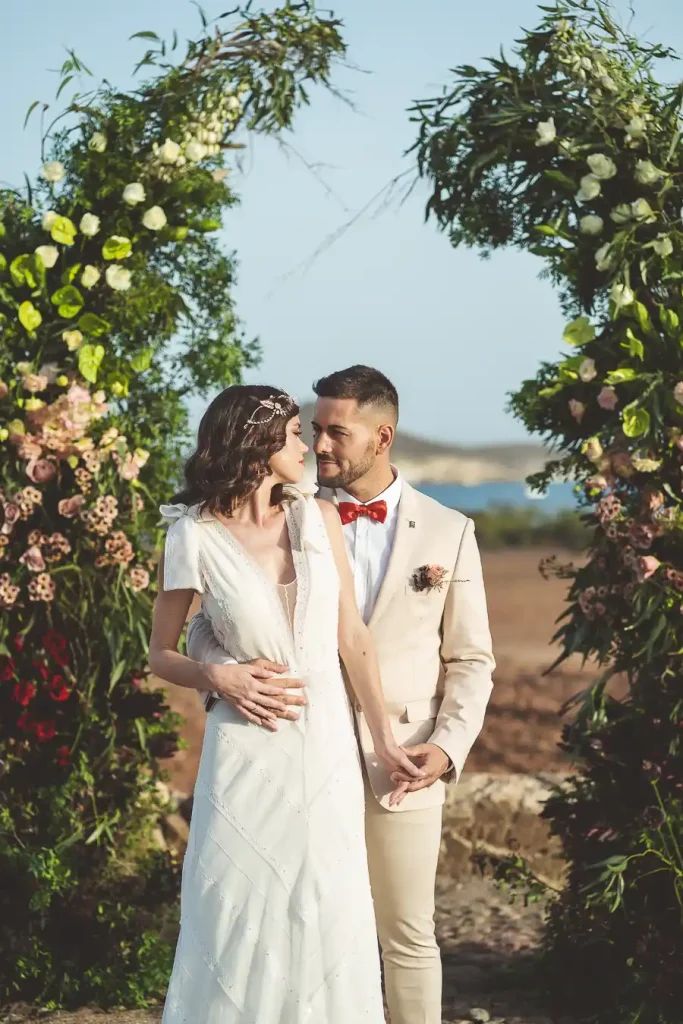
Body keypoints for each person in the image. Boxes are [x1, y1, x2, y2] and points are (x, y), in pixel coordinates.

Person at [189, 365, 495, 1024]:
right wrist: (233, 672)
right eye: (314, 430)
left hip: (402, 761)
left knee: (405, 937)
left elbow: (470, 661)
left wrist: (443, 749)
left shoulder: (449, 532)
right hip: (294, 749)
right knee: (297, 922)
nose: (320, 446)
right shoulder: (287, 513)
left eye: (337, 432)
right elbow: (207, 622)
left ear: (381, 436)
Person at [149, 384, 422, 1024]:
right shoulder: (191, 533)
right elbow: (160, 654)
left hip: (325, 744)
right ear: (257, 443)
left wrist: (382, 739)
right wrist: (223, 678)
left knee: (329, 903)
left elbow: (351, 636)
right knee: (238, 906)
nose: (307, 446)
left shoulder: (319, 517)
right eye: (295, 433)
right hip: (245, 749)